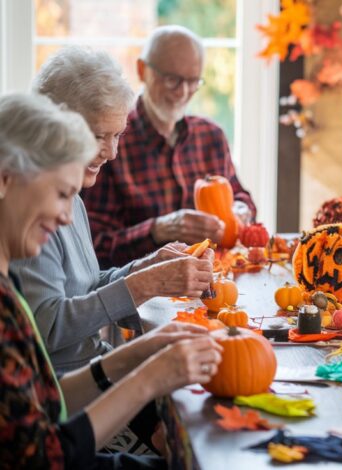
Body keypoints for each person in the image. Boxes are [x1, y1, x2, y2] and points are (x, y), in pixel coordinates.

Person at [0, 92, 223, 468]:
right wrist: (148, 379)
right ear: (6, 179)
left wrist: (137, 353)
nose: (66, 218)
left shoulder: (10, 287)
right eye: (60, 194)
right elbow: (42, 457)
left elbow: (48, 404)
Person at [10, 47, 216, 374]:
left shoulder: (73, 199)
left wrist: (149, 266)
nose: (112, 152)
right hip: (71, 388)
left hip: (98, 368)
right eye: (97, 137)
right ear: (52, 126)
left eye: (118, 134)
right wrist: (145, 285)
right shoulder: (32, 215)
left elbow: (86, 287)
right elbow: (47, 329)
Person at [81, 25, 256, 268]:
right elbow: (92, 249)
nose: (183, 92)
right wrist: (157, 230)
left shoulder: (211, 137)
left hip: (215, 283)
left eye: (193, 81)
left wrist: (240, 211)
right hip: (143, 295)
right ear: (142, 70)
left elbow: (242, 198)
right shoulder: (111, 141)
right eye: (172, 79)